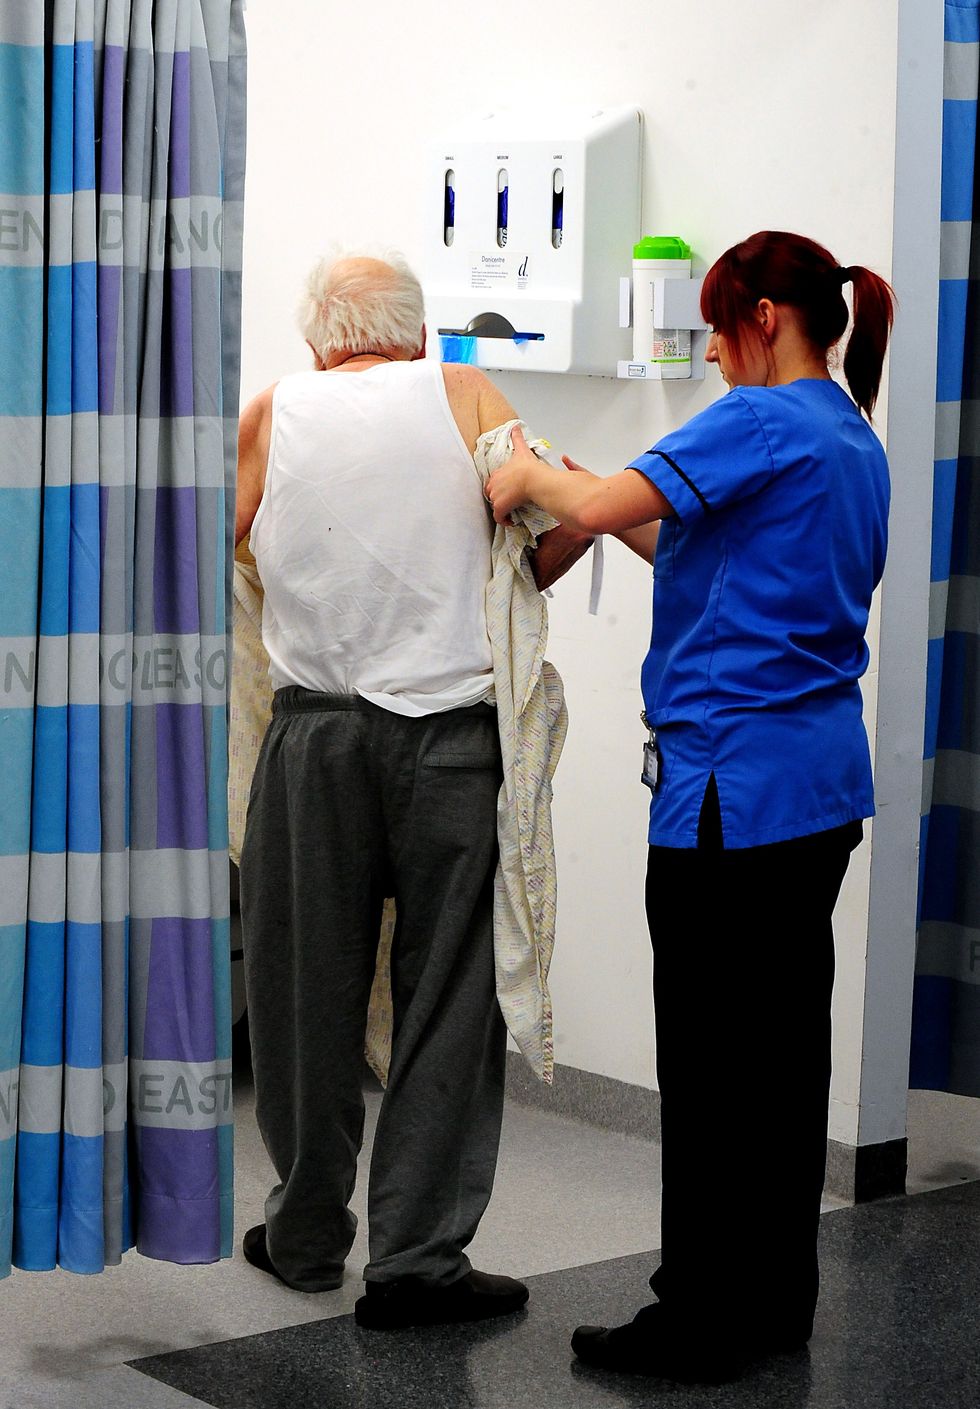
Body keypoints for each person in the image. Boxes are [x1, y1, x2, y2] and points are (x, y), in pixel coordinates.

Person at [486, 230, 895, 1383]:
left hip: (730, 790)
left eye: (718, 331)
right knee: (777, 1057)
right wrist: (607, 506)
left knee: (713, 1065)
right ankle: (768, 1299)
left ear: (763, 317)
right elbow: (694, 547)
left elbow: (604, 490)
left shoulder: (761, 416)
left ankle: (693, 1315)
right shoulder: (848, 437)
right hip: (813, 790)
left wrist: (529, 475)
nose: (713, 356)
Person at [235, 249, 585, 1330]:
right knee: (445, 998)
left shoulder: (271, 411)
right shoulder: (463, 390)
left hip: (315, 740)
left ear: (318, 339)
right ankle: (417, 1262)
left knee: (303, 990)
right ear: (416, 332)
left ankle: (301, 1235)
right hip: (449, 742)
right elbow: (550, 525)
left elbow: (226, 550)